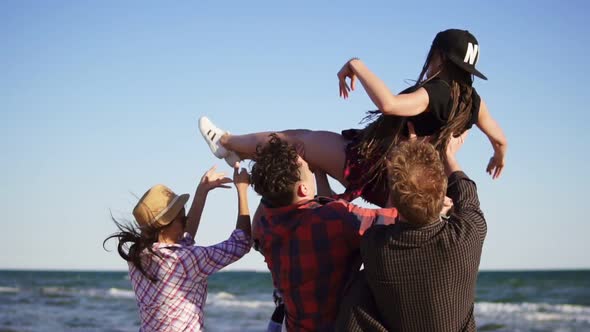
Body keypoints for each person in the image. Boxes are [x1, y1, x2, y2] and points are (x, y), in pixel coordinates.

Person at [199, 28, 507, 208]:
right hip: (407, 184)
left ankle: (226, 142)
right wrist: (498, 156)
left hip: (374, 167)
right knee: (301, 134)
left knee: (294, 142)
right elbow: (500, 139)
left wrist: (356, 64)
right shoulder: (472, 101)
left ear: (439, 57)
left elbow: (389, 104)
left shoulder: (437, 91)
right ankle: (236, 147)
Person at [336, 131, 486, 332]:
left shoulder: (375, 246)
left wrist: (403, 170)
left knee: (361, 288)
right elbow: (467, 194)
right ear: (443, 192)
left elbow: (391, 217)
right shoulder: (467, 236)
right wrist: (449, 156)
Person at [249, 134, 398, 331]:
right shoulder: (334, 217)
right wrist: (398, 173)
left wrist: (317, 174)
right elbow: (392, 220)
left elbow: (315, 218)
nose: (309, 168)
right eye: (307, 169)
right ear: (303, 189)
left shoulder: (265, 225)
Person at [103, 165, 251, 332]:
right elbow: (241, 243)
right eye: (182, 218)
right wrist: (242, 189)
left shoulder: (138, 255)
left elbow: (185, 239)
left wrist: (202, 191)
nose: (187, 220)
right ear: (165, 226)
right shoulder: (182, 260)